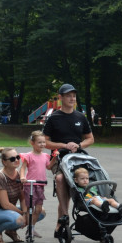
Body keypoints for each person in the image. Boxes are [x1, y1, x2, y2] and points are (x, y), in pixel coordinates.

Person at [41, 84, 94, 234]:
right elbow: (45, 142)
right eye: (68, 95)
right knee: (60, 179)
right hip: (58, 157)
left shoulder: (80, 117)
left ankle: (61, 222)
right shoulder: (53, 118)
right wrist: (64, 145)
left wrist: (78, 145)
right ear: (61, 98)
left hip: (77, 157)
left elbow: (90, 139)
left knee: (81, 183)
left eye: (74, 96)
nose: (72, 98)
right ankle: (64, 217)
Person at [19, 130, 51, 237]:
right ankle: (30, 228)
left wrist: (55, 157)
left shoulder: (46, 156)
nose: (42, 144)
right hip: (29, 185)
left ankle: (32, 227)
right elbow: (22, 168)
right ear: (33, 143)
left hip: (40, 185)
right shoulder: (28, 156)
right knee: (30, 208)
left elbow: (49, 167)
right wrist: (23, 177)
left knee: (38, 209)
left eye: (44, 142)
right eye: (39, 142)